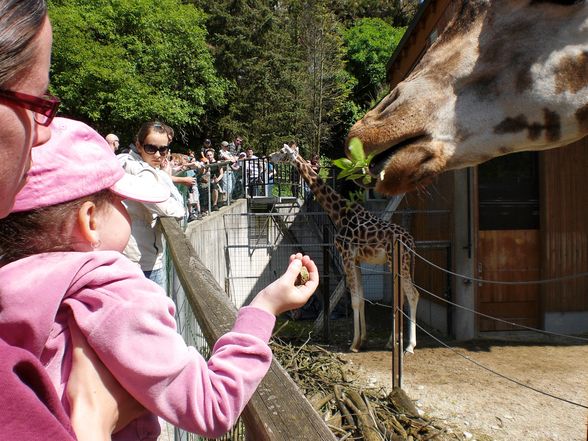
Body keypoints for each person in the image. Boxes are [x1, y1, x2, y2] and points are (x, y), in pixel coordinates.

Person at [0, 116, 319, 441]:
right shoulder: (112, 294)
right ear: (90, 220)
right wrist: (264, 308)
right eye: (120, 201)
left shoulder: (12, 292)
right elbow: (213, 406)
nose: (126, 209)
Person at [0, 2, 143, 439]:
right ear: (88, 220)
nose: (44, 132)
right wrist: (96, 424)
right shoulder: (122, 296)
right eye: (33, 101)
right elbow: (210, 405)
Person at [118, 120, 185, 288]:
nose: (157, 155)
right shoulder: (140, 171)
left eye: (163, 149)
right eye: (151, 148)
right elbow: (171, 208)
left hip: (134, 256)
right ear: (139, 146)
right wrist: (166, 180)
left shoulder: (126, 162)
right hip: (142, 262)